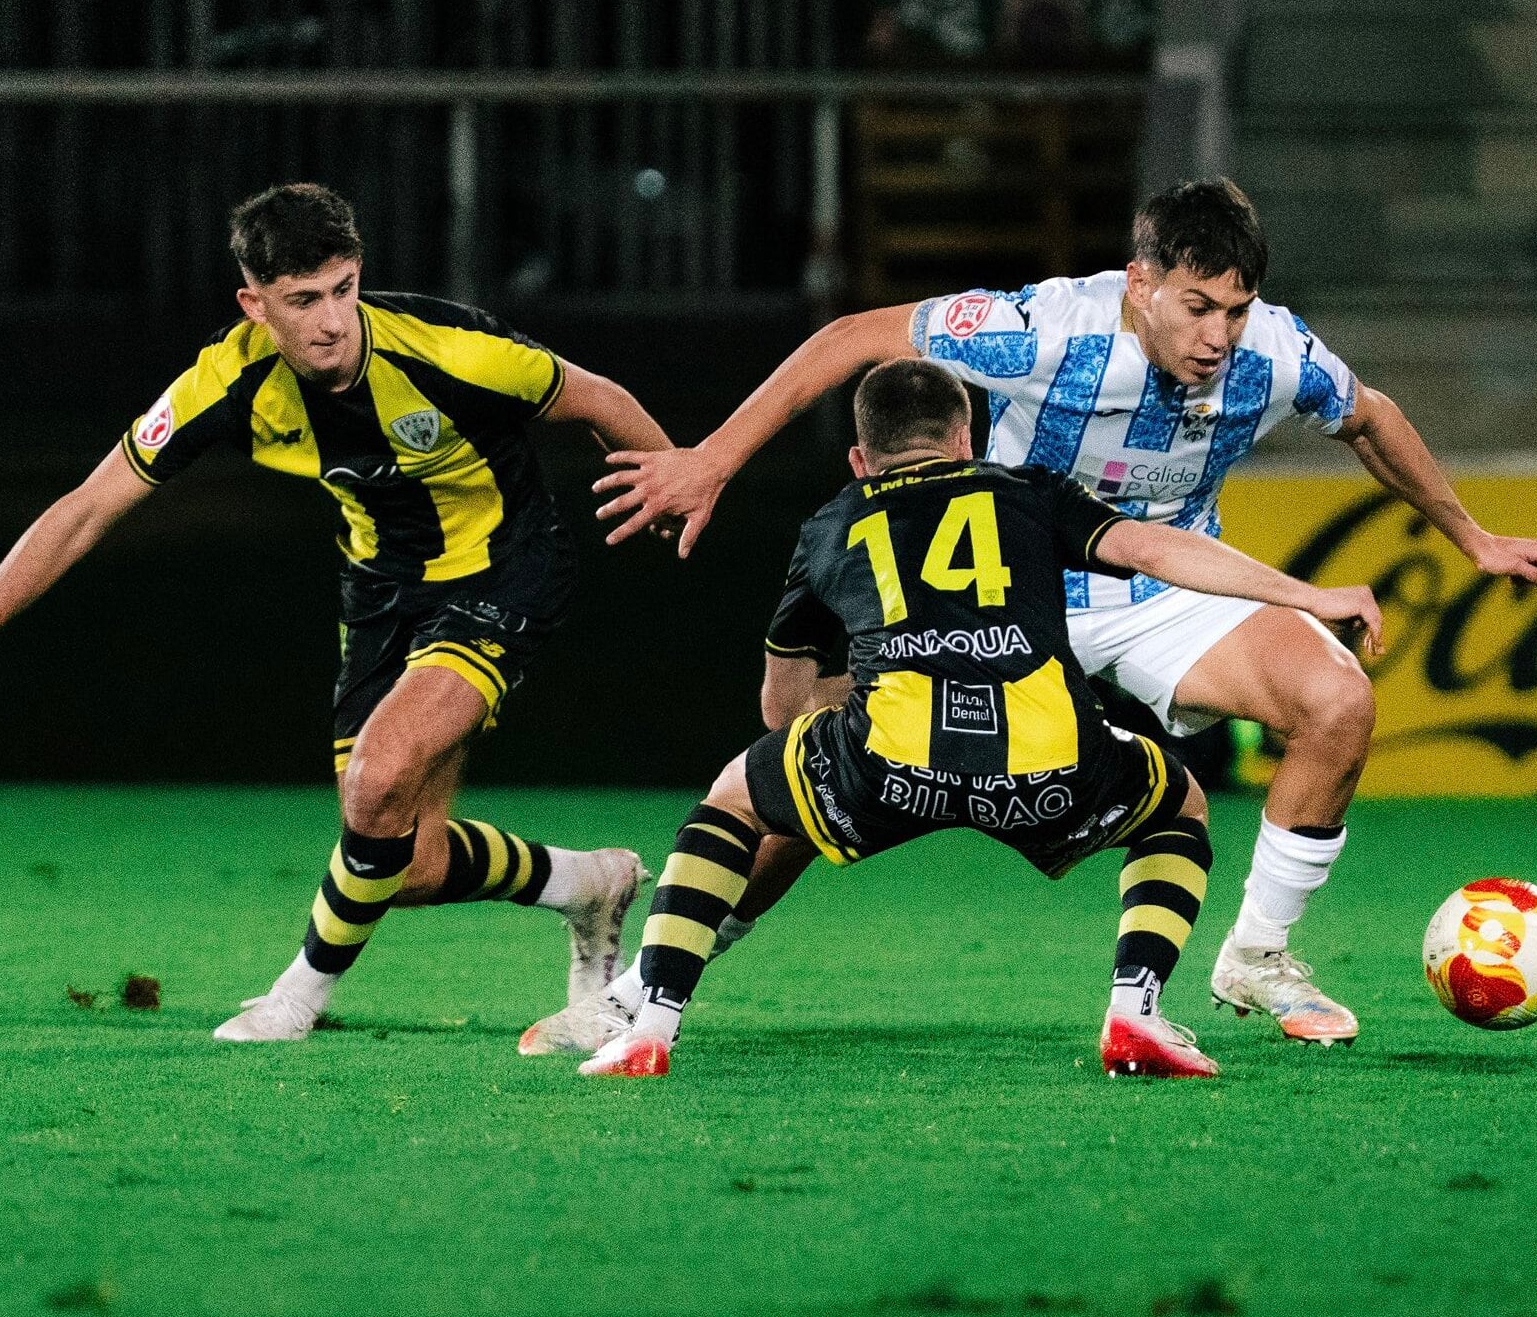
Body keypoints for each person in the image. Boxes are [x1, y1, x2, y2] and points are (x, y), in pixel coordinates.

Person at [580, 178, 1537, 1047]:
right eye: (1197, 307)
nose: (1218, 335)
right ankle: (647, 987)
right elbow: (849, 339)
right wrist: (712, 459)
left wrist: (1471, 537)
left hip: (1162, 583)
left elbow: (1371, 417)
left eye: (1235, 309)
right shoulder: (1045, 329)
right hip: (1004, 595)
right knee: (820, 771)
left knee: (1338, 701)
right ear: (1139, 283)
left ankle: (1258, 954)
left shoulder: (1274, 351)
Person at [0, 182, 670, 1041]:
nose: (331, 321)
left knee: (376, 781)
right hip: (381, 591)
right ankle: (589, 884)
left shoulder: (453, 351)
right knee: (401, 862)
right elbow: (88, 507)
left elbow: (602, 400)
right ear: (255, 305)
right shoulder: (228, 381)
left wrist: (675, 479)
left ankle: (297, 996)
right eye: (302, 301)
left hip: (503, 570)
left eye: (343, 289)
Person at [577, 358, 1382, 1079]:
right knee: (1180, 809)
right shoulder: (1029, 490)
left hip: (891, 767)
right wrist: (1305, 595)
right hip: (1049, 768)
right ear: (966, 442)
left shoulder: (830, 523)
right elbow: (1149, 550)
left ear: (859, 460)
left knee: (734, 799)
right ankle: (1135, 1012)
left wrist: (859, 708)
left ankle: (651, 1024)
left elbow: (780, 708)